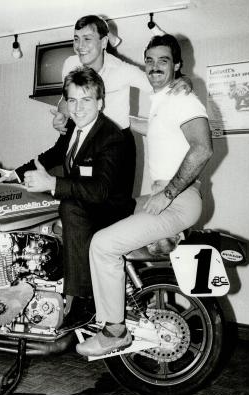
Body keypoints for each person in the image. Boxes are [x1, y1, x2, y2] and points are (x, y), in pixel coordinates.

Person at [76, 34, 213, 357]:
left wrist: (167, 193)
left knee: (103, 245)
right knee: (96, 215)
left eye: (162, 61)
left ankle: (114, 330)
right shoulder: (161, 103)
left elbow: (203, 149)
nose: (153, 67)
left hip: (179, 199)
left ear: (177, 65)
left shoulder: (182, 99)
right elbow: (137, 125)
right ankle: (113, 297)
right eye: (149, 60)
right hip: (164, 196)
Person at [0, 66, 136, 327]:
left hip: (109, 210)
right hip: (90, 205)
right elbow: (52, 155)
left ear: (100, 102)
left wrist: (52, 183)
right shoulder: (75, 126)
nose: (78, 107)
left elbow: (100, 190)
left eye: (86, 100)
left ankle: (82, 299)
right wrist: (14, 175)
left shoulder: (111, 137)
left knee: (69, 206)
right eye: (72, 100)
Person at [52, 14, 191, 138]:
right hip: (82, 133)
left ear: (104, 42)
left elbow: (161, 86)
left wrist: (184, 80)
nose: (80, 46)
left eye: (87, 39)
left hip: (115, 139)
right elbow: (65, 99)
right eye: (76, 39)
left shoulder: (123, 70)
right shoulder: (70, 63)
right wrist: (62, 114)